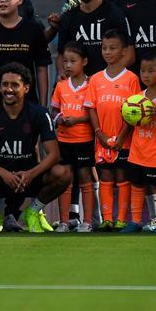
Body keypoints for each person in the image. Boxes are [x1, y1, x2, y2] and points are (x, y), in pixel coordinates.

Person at [0, 63, 72, 233]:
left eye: (15, 85)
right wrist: (4, 174)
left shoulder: (39, 113)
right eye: (5, 84)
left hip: (27, 177)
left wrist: (30, 174)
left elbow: (54, 154)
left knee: (63, 173)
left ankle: (33, 211)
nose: (9, 89)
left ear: (26, 88)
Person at [85, 29, 141, 230]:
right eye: (104, 48)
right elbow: (91, 107)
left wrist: (122, 136)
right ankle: (107, 218)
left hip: (123, 140)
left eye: (112, 48)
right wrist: (99, 133)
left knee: (122, 178)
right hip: (102, 139)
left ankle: (122, 220)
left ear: (124, 51)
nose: (107, 52)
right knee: (106, 177)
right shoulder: (96, 79)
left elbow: (134, 110)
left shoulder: (132, 79)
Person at [124, 52, 156, 232]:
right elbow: (130, 122)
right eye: (143, 71)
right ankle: (136, 221)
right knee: (137, 186)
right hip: (137, 151)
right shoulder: (137, 97)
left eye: (150, 71)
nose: (145, 75)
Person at [50, 42, 96, 233]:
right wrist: (59, 119)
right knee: (66, 179)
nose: (68, 65)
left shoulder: (91, 84)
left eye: (73, 61)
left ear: (84, 62)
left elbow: (94, 113)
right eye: (66, 61)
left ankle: (87, 221)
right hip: (64, 140)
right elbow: (54, 110)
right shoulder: (61, 86)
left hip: (83, 139)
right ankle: (64, 221)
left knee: (85, 178)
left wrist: (76, 120)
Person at [58, 0, 129, 76]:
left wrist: (107, 79)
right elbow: (61, 54)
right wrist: (63, 78)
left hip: (107, 87)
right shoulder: (68, 17)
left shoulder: (114, 13)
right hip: (78, 87)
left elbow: (129, 53)